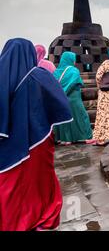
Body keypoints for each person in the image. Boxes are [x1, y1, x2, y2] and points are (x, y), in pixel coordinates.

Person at [0, 38, 73, 231]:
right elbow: (61, 102)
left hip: (7, 143)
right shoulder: (39, 76)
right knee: (38, 180)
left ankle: (13, 222)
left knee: (11, 184)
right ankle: (42, 217)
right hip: (37, 139)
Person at [53, 52, 93, 145]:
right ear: (71, 60)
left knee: (64, 119)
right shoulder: (74, 71)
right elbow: (77, 83)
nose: (74, 62)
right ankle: (83, 137)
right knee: (81, 117)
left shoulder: (56, 72)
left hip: (60, 99)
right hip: (73, 98)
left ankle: (64, 139)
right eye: (74, 59)